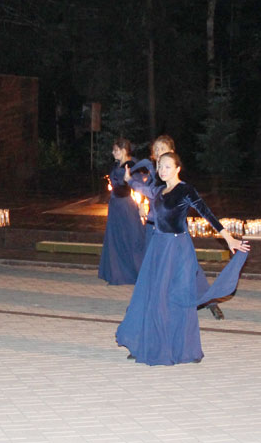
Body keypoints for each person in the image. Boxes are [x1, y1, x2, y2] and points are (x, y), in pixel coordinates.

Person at [117, 152, 250, 365]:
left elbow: (206, 213)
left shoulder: (185, 190)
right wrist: (129, 179)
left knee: (177, 296)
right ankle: (150, 343)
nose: (162, 170)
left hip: (177, 248)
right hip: (158, 248)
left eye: (167, 167)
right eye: (160, 166)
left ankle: (182, 348)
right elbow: (141, 188)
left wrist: (228, 238)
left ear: (178, 169)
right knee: (154, 295)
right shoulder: (158, 190)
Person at [144, 135, 227, 320]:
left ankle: (209, 301)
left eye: (162, 149)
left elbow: (198, 208)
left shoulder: (174, 177)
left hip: (175, 233)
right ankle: (152, 307)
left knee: (189, 271)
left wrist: (227, 236)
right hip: (155, 230)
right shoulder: (154, 175)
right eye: (155, 150)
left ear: (172, 153)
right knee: (156, 271)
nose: (158, 152)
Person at [98, 138, 148, 285]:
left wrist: (141, 205)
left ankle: (136, 272)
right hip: (115, 204)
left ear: (124, 150)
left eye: (116, 150)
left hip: (126, 205)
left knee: (132, 237)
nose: (113, 153)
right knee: (116, 238)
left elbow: (140, 185)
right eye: (113, 150)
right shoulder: (116, 165)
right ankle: (117, 273)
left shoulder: (132, 165)